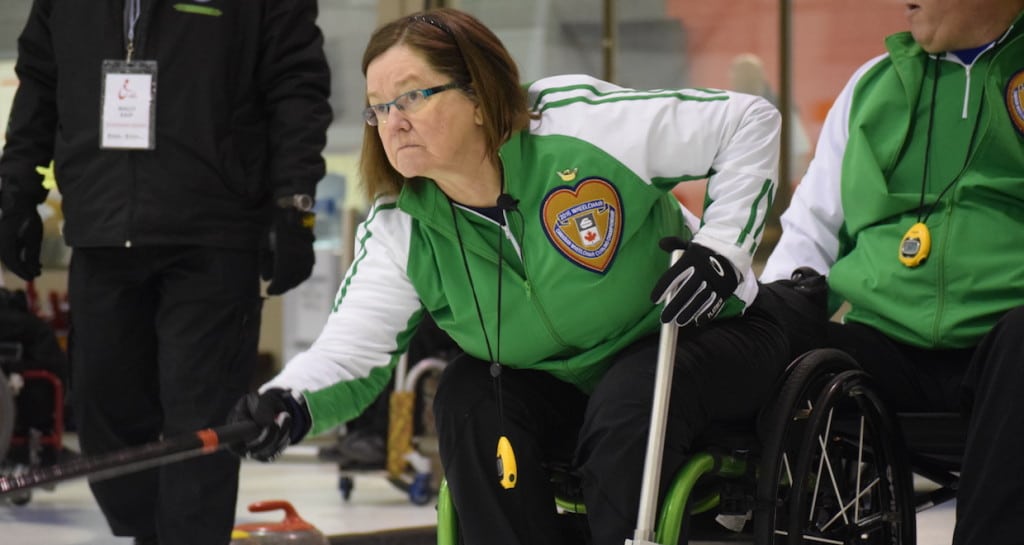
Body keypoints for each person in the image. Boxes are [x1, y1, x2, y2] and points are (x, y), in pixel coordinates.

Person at [228, 7, 786, 545]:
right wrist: (287, 401)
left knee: (628, 397)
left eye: (412, 97)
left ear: (478, 94)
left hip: (690, 340)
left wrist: (721, 250)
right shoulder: (403, 226)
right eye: (378, 108)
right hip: (561, 385)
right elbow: (354, 350)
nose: (392, 123)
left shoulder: (580, 125)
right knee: (466, 394)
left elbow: (746, 120)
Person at [0, 1, 332, 544]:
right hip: (102, 227)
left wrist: (294, 204)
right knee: (104, 415)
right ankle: (146, 534)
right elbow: (39, 79)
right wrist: (17, 193)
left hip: (214, 233)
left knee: (201, 421)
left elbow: (296, 84)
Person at [761, 1, 1024, 544]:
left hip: (1006, 347)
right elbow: (811, 228)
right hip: (885, 343)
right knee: (776, 338)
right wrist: (771, 323)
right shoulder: (872, 84)